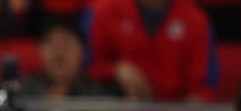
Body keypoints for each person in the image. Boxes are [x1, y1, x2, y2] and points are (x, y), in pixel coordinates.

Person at [86, 0, 218, 101]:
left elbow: (201, 86)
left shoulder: (196, 20)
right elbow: (91, 69)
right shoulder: (107, 13)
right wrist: (116, 70)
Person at [21, 20, 119, 111]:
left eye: (66, 45)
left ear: (82, 52)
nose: (59, 53)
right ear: (40, 51)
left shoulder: (97, 95)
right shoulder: (26, 90)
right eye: (52, 45)